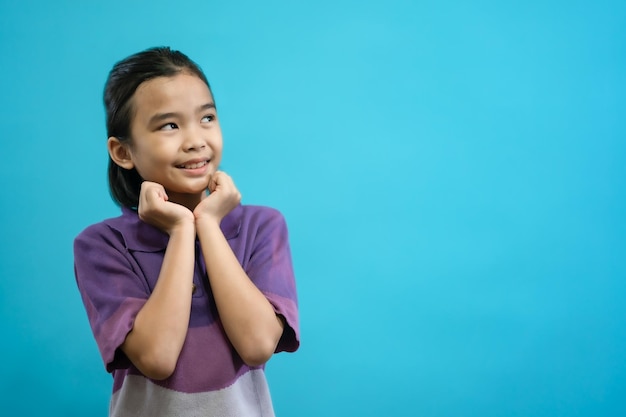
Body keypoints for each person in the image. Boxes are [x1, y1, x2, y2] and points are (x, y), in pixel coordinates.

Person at [73, 46, 299, 417]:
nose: (195, 139)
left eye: (206, 118)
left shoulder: (262, 227)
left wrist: (207, 224)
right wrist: (181, 230)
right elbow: (157, 358)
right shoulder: (101, 246)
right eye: (169, 125)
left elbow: (258, 344)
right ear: (122, 152)